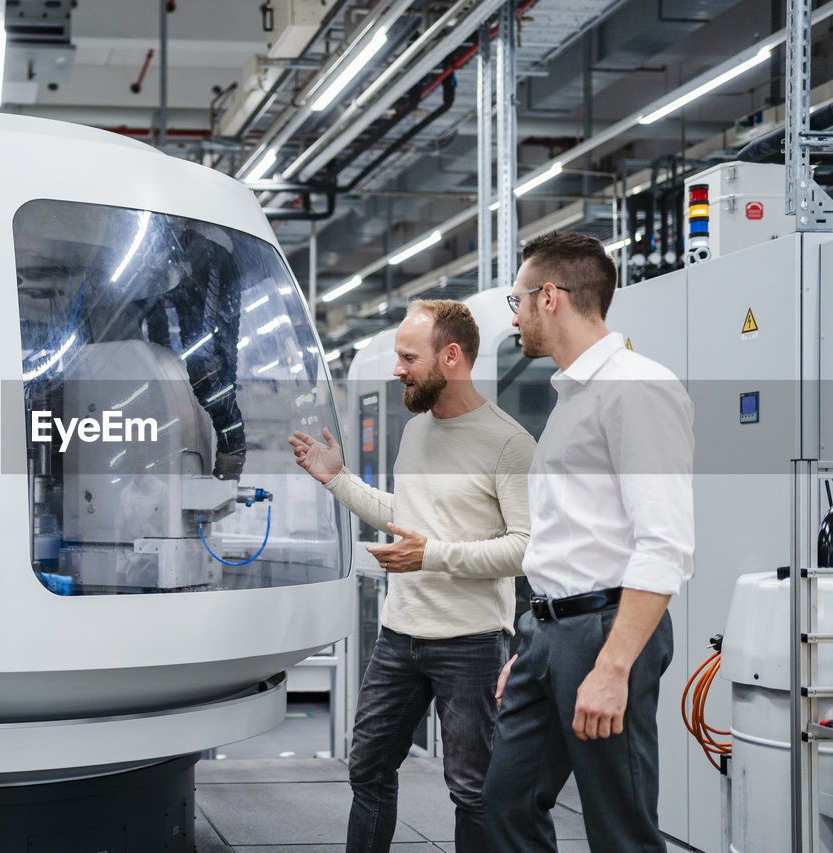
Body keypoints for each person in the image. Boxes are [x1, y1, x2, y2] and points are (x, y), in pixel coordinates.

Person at [289, 299, 535, 853]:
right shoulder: (417, 431)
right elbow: (410, 517)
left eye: (407, 357)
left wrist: (433, 556)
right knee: (368, 769)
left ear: (451, 357)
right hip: (399, 638)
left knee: (472, 792)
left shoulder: (510, 444)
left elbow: (524, 548)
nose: (396, 369)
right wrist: (338, 480)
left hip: (471, 643)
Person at [482, 232, 694, 851]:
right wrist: (537, 641)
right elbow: (569, 537)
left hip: (605, 630)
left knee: (619, 826)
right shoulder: (573, 396)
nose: (515, 317)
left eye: (517, 300)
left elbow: (665, 543)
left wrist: (613, 667)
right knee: (507, 802)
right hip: (549, 633)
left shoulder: (637, 387)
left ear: (549, 297)